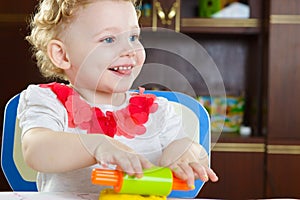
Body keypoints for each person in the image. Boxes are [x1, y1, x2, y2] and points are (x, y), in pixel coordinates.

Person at [17, 0, 218, 193]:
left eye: (133, 37)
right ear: (62, 55)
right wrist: (97, 146)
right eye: (108, 39)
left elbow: (196, 153)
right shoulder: (48, 100)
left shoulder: (158, 111)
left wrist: (185, 152)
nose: (129, 50)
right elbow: (36, 150)